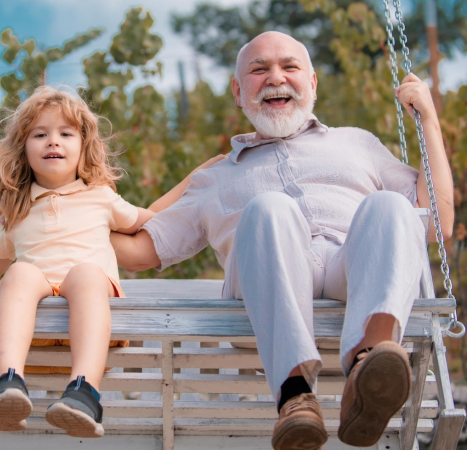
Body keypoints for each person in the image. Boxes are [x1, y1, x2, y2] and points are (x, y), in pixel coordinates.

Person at [111, 31, 453, 449]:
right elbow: (137, 253)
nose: (276, 77)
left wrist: (429, 121)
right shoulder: (214, 177)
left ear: (311, 83)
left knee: (391, 206)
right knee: (269, 208)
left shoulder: (358, 143)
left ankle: (370, 366)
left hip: (353, 272)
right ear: (239, 92)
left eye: (289, 66)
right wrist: (57, 213)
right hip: (267, 289)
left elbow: (435, 221)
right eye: (259, 70)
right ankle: (294, 397)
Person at [0, 86, 225, 438]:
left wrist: (195, 180)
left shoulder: (101, 196)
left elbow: (151, 219)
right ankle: (8, 382)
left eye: (65, 134)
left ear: (83, 145)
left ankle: (84, 391)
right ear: (23, 149)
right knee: (19, 273)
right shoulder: (17, 209)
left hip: (92, 316)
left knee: (87, 273)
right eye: (40, 134)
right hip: (38, 328)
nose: (52, 142)